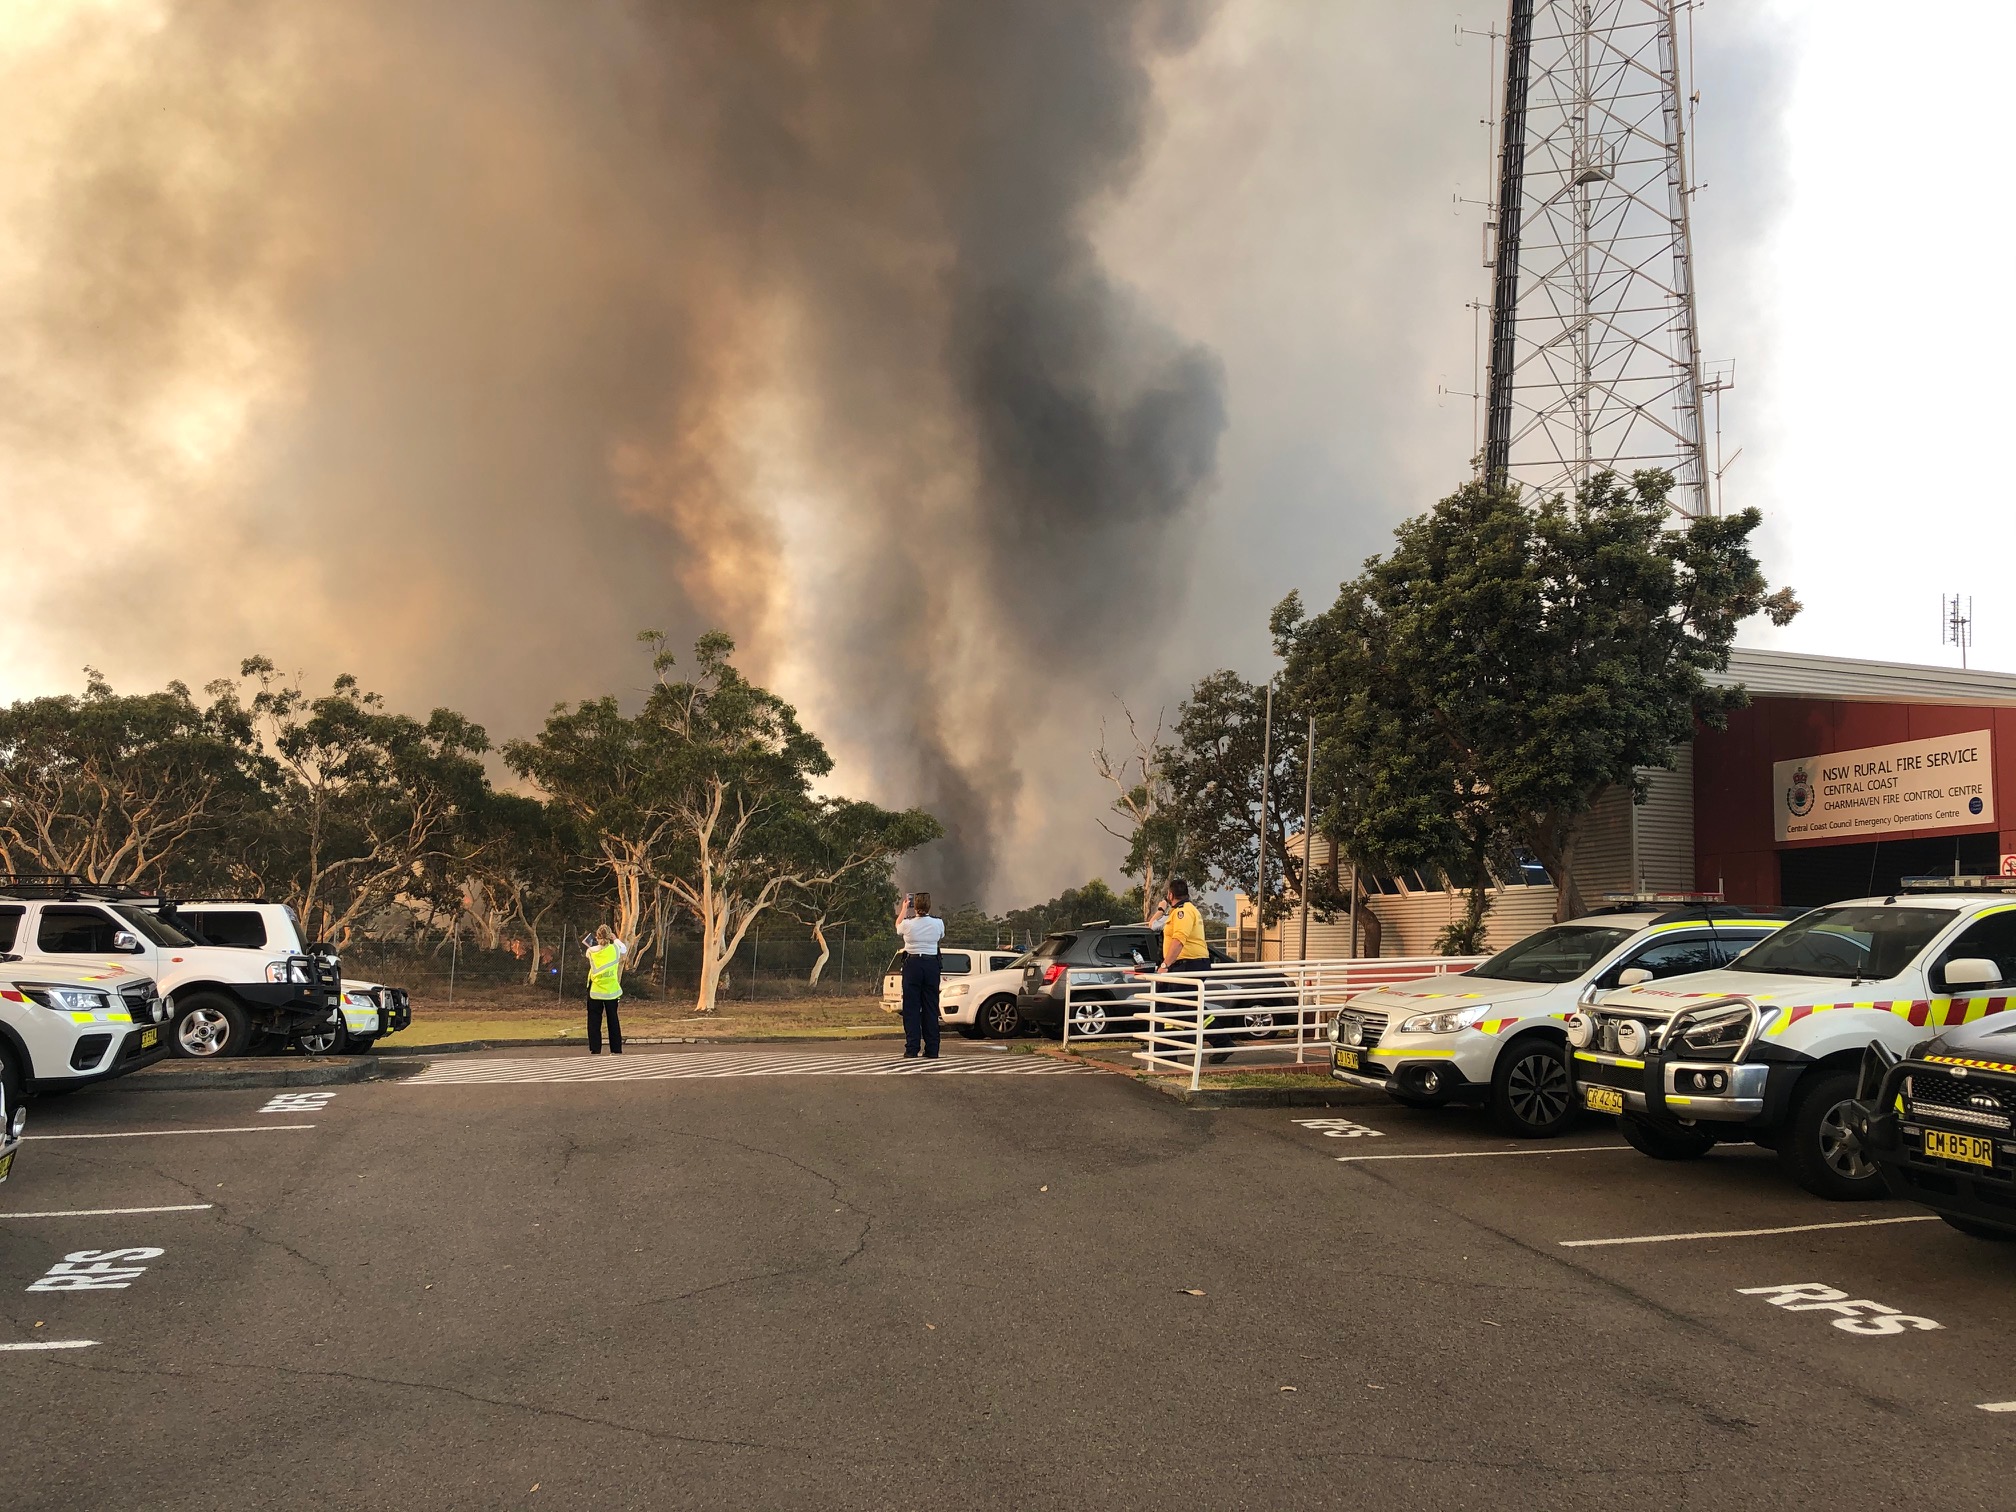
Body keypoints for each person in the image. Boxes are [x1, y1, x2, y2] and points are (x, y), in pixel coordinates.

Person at [1146, 877, 1234, 1060]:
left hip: (1189, 963)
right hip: (1185, 964)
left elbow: (1178, 941)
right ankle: (1169, 1049)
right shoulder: (1177, 911)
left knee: (1186, 1007)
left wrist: (1164, 965)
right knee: (1177, 1005)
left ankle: (1221, 1042)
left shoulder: (1183, 913)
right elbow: (1152, 925)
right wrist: (1161, 909)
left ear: (1170, 895)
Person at [894, 890, 945, 1059]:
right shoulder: (938, 923)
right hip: (931, 966)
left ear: (914, 906)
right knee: (931, 1007)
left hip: (913, 965)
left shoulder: (908, 924)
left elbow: (897, 926)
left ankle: (912, 1048)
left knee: (911, 1008)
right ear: (929, 906)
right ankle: (932, 1049)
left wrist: (903, 909)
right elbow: (940, 936)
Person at [583, 924, 628, 1055]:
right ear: (610, 936)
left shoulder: (591, 951)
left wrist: (596, 942)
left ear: (597, 936)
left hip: (595, 989)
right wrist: (615, 939)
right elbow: (624, 949)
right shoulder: (615, 949)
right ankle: (616, 1049)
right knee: (613, 1019)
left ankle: (595, 1048)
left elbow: (590, 952)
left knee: (594, 1020)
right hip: (611, 990)